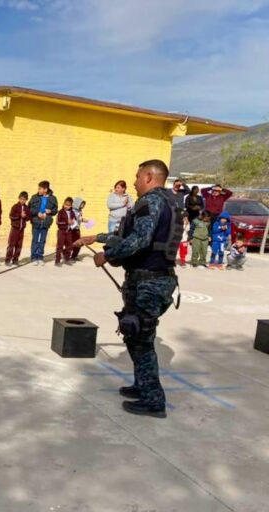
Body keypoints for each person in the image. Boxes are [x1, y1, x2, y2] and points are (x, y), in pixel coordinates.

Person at [74, 159, 183, 418]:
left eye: (136, 177)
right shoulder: (167, 202)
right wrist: (97, 237)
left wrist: (107, 255)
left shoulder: (151, 202)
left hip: (149, 281)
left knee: (142, 338)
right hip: (154, 279)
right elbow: (134, 233)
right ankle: (143, 385)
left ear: (148, 176)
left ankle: (153, 400)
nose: (134, 182)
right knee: (134, 333)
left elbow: (139, 240)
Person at [28, 180, 58, 266]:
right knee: (35, 240)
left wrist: (50, 211)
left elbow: (55, 210)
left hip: (46, 222)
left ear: (45, 189)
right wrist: (37, 213)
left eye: (40, 189)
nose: (38, 190)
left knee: (42, 241)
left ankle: (40, 257)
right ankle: (33, 257)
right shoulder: (34, 197)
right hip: (36, 221)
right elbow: (30, 209)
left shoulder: (53, 198)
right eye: (38, 188)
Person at [5, 191, 29, 267]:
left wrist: (25, 217)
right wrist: (19, 215)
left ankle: (15, 259)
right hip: (15, 228)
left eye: (24, 199)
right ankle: (8, 259)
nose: (22, 200)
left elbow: (28, 218)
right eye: (21, 199)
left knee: (19, 245)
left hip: (22, 229)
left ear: (26, 200)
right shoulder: (15, 207)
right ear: (19, 198)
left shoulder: (26, 208)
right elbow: (11, 216)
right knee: (11, 244)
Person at [55, 197, 77, 267]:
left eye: (68, 205)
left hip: (69, 231)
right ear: (63, 204)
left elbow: (74, 220)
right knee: (59, 246)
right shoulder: (61, 212)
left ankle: (67, 259)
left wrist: (73, 221)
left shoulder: (72, 212)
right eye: (66, 204)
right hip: (61, 231)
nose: (67, 206)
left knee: (69, 246)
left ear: (71, 205)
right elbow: (58, 222)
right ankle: (57, 260)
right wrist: (66, 222)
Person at [69, 197, 89, 264]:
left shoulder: (79, 211)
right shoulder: (72, 211)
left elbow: (79, 219)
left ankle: (74, 256)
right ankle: (68, 255)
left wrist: (85, 220)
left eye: (83, 204)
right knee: (71, 243)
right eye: (81, 204)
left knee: (79, 243)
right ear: (77, 204)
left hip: (77, 229)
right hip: (72, 229)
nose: (82, 206)